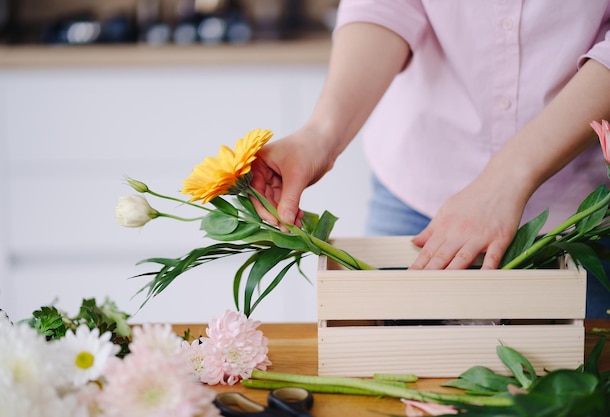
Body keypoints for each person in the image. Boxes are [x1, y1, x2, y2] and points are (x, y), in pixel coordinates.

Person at [250, 1, 610, 318]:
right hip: (416, 197)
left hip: (580, 216)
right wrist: (320, 137)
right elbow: (385, 7)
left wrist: (506, 179)